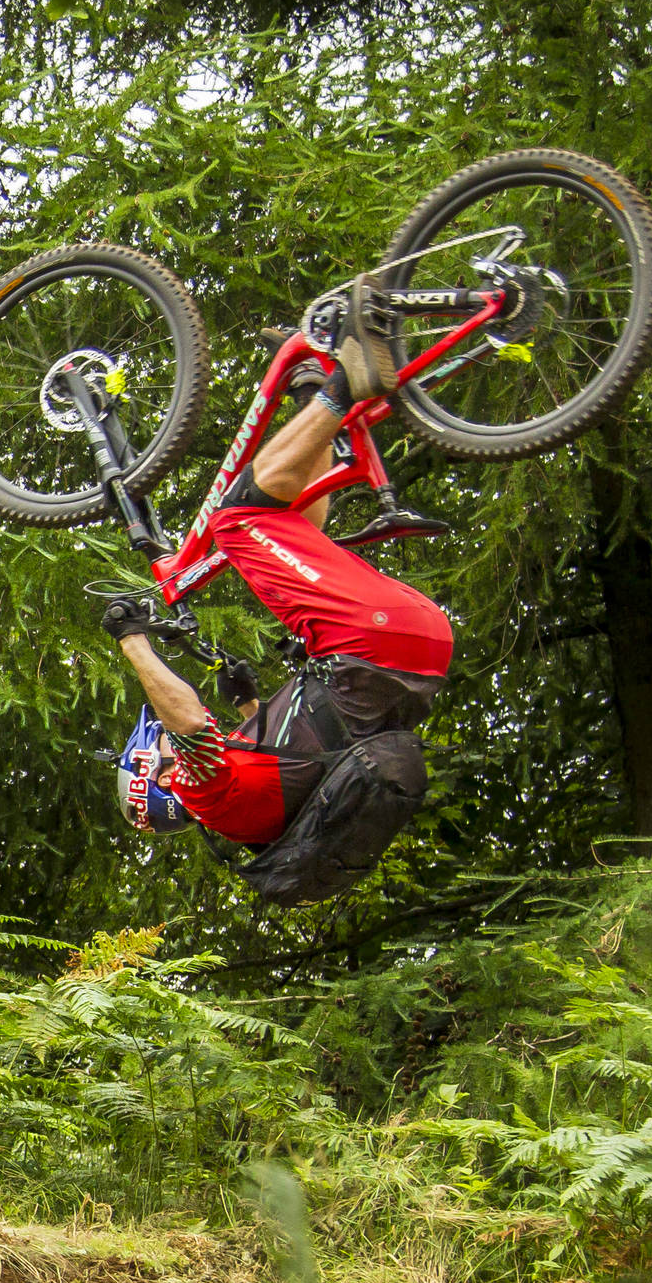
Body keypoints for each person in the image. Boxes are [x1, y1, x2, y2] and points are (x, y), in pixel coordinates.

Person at [97, 332, 454, 906]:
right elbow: (188, 723)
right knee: (236, 519)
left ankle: (315, 395)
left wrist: (247, 704)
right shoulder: (204, 794)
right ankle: (344, 386)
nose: (162, 751)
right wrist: (131, 639)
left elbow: (302, 758)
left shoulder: (256, 819)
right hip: (369, 636)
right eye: (154, 760)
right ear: (159, 780)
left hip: (424, 644)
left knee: (288, 523)